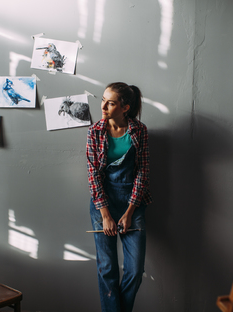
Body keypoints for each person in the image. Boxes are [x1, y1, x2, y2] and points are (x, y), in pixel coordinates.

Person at [86, 82, 153, 312]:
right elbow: (93, 174)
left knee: (134, 270)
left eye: (110, 102)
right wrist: (105, 215)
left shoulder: (139, 130)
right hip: (102, 202)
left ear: (125, 107)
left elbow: (143, 172)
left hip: (133, 202)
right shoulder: (95, 131)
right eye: (103, 100)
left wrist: (129, 212)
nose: (103, 106)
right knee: (107, 268)